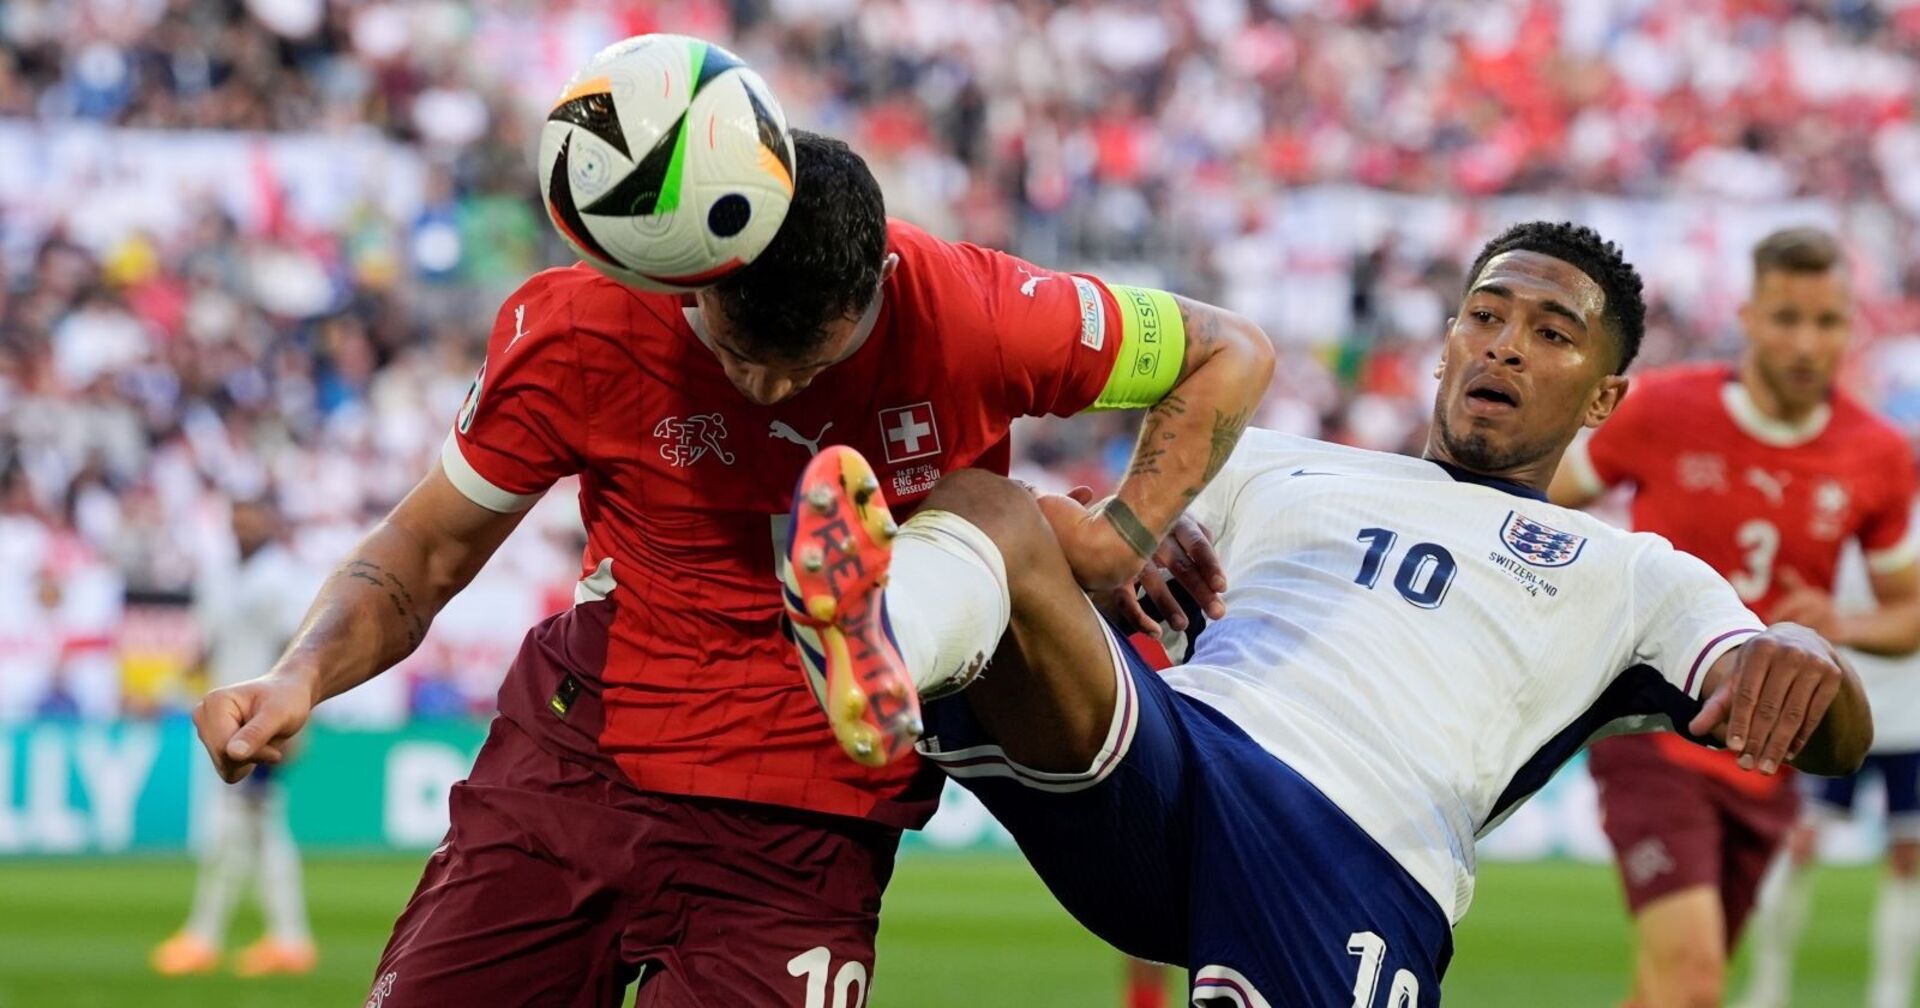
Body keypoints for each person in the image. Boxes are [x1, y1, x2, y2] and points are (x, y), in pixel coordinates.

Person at [190, 129, 1273, 1005]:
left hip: (811, 820)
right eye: (734, 350)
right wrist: (301, 674)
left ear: (875, 294)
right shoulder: (582, 322)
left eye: (796, 366)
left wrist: (1118, 535)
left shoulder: (977, 311)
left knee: (994, 525)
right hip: (575, 768)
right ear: (698, 280)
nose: (760, 391)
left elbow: (1231, 349)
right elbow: (417, 554)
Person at [780, 221, 1873, 1006]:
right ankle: (877, 643)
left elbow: (1806, 717)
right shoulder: (1273, 464)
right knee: (994, 509)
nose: (1502, 346)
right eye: (1484, 317)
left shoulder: (1637, 572)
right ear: (1445, 342)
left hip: (1352, 849)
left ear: (1603, 398)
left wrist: (1812, 652)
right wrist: (1125, 538)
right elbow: (1090, 550)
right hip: (1172, 757)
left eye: (1550, 333)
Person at [1549, 226, 1920, 1008]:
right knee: (1692, 984)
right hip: (1653, 726)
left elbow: (1910, 614)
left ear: (1852, 327)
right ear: (1749, 317)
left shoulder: (1878, 453)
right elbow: (1540, 501)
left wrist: (1841, 627)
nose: (1806, 342)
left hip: (1766, 748)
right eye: (1787, 317)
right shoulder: (1661, 410)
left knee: (1668, 989)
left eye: (1827, 322)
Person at [1738, 530, 1920, 1008]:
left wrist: (1847, 624)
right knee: (1797, 844)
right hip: (1837, 707)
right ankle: (1767, 987)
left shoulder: (1902, 527)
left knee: (1908, 857)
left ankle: (1891, 995)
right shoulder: (1838, 521)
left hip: (1913, 715)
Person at [151, 496, 318, 977]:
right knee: (260, 830)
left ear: (267, 523)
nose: (242, 528)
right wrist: (164, 688)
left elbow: (300, 650)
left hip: (263, 716)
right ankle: (288, 940)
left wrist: (299, 721)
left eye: (250, 520)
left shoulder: (281, 578)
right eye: (236, 520)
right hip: (226, 715)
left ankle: (205, 936)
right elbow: (209, 644)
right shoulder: (220, 576)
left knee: (237, 828)